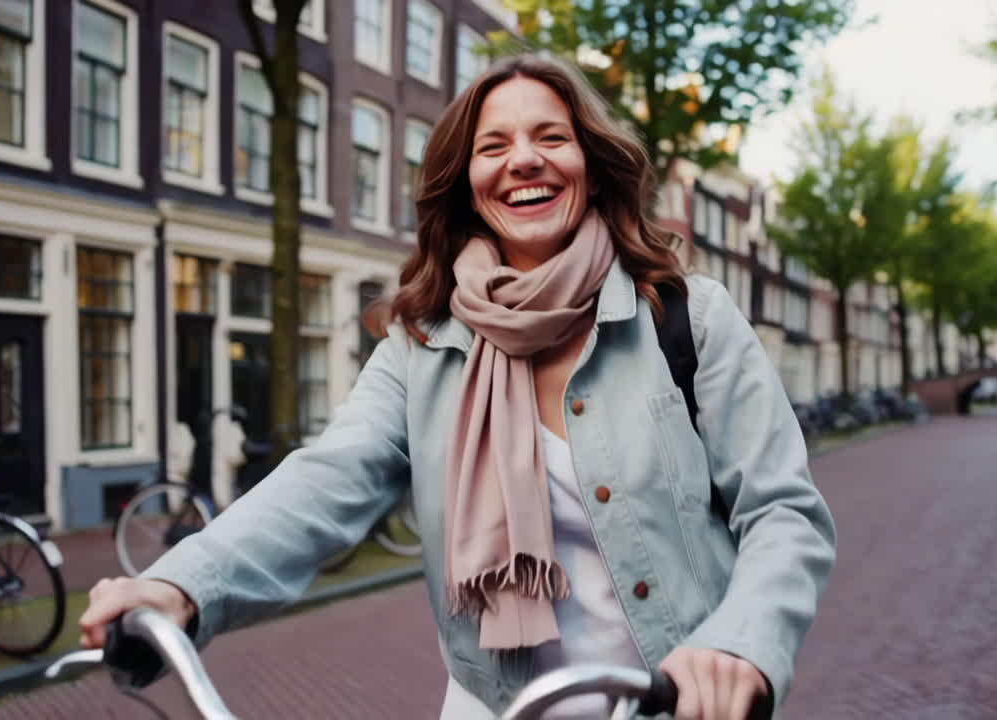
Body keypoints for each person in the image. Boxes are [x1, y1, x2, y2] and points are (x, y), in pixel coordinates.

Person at [80, 54, 837, 720]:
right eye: (494, 146)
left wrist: (740, 648)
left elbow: (783, 512)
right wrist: (180, 585)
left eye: (551, 137)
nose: (524, 161)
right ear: (468, 184)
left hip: (671, 706)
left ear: (591, 163)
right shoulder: (423, 343)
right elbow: (324, 482)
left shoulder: (687, 318)